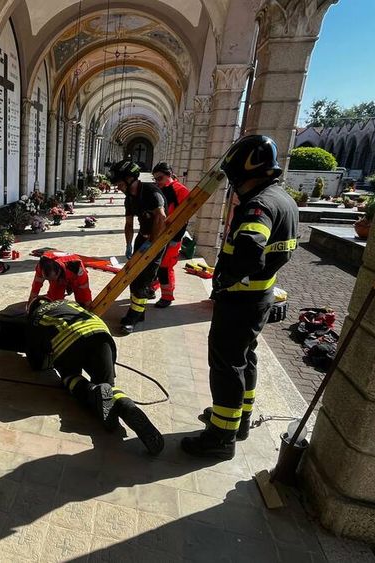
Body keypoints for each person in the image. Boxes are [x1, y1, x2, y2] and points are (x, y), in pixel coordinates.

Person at [181, 135, 299, 460]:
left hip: (239, 301)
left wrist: (225, 280)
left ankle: (220, 437)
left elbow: (249, 251)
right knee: (245, 358)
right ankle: (239, 420)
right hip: (260, 297)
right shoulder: (284, 200)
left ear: (244, 173)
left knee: (226, 365)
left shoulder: (258, 205)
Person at [25, 297, 164, 455]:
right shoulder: (67, 302)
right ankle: (127, 406)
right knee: (108, 386)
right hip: (100, 333)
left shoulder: (35, 317)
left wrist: (45, 352)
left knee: (70, 376)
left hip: (69, 340)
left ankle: (91, 392)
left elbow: (37, 364)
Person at [110, 159, 166, 334]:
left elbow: (161, 217)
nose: (118, 187)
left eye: (119, 183)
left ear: (129, 179)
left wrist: (152, 243)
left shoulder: (151, 191)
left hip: (157, 242)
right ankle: (138, 312)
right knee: (133, 276)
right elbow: (129, 224)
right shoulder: (130, 199)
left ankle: (134, 316)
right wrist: (128, 245)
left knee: (143, 281)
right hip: (142, 239)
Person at [151, 162, 191, 308]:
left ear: (169, 175)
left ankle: (167, 296)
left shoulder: (180, 190)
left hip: (173, 236)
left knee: (165, 267)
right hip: (161, 234)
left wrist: (176, 238)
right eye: (155, 179)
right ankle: (153, 287)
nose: (157, 182)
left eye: (160, 178)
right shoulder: (162, 188)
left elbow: (184, 217)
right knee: (155, 263)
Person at [28, 251, 92, 308]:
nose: (51, 281)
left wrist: (88, 307)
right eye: (48, 279)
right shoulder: (41, 266)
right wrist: (30, 304)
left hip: (74, 276)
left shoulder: (77, 268)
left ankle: (69, 287)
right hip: (60, 276)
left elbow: (84, 289)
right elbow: (35, 287)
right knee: (54, 301)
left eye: (53, 279)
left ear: (59, 271)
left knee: (82, 300)